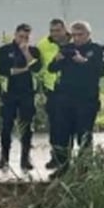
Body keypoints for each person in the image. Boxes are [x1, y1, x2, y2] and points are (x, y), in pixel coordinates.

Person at [48, 21, 104, 176]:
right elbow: (51, 68)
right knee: (63, 135)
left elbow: (102, 71)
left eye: (80, 35)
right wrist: (58, 59)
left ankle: (84, 169)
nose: (76, 38)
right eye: (73, 35)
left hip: (86, 100)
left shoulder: (97, 49)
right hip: (65, 98)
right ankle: (63, 168)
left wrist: (84, 62)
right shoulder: (67, 48)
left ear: (88, 34)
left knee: (84, 135)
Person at [0, 23, 44, 171]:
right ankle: (4, 158)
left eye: (26, 37)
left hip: (27, 93)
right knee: (6, 126)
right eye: (20, 36)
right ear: (15, 35)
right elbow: (3, 70)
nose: (23, 39)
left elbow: (36, 68)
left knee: (27, 126)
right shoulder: (5, 50)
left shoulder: (33, 51)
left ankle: (25, 158)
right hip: (9, 93)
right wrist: (23, 69)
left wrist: (26, 53)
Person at [34, 19, 69, 169]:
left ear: (64, 30)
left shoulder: (73, 41)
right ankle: (56, 158)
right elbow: (39, 67)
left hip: (72, 90)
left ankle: (73, 160)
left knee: (71, 127)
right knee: (55, 127)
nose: (54, 34)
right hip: (52, 91)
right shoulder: (43, 44)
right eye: (52, 31)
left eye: (57, 31)